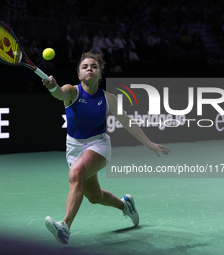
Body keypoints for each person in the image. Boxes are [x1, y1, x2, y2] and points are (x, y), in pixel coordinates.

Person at [42, 51, 170, 244]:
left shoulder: (108, 98)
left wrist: (149, 143)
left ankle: (65, 227)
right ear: (79, 75)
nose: (89, 69)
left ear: (100, 74)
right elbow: (59, 92)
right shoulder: (72, 91)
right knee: (95, 196)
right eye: (84, 67)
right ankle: (126, 206)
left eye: (94, 66)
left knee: (75, 174)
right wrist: (52, 88)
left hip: (98, 144)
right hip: (74, 148)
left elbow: (127, 122)